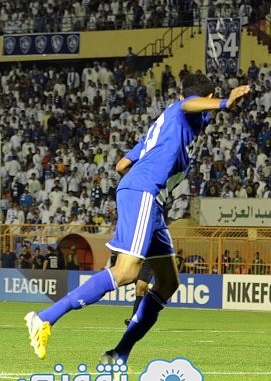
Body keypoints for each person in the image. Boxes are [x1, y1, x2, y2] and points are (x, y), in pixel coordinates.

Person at [24, 73, 250, 363]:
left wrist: (140, 182)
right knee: (127, 273)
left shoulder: (166, 131)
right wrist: (223, 102)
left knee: (168, 283)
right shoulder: (180, 111)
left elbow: (121, 165)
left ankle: (119, 353)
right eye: (208, 103)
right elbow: (187, 105)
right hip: (145, 193)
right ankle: (44, 318)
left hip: (148, 199)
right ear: (204, 100)